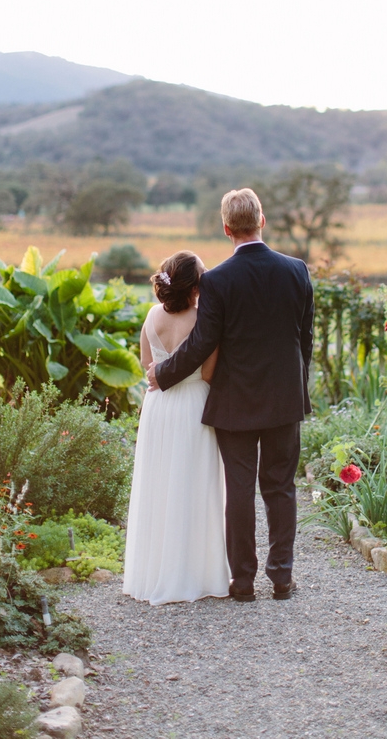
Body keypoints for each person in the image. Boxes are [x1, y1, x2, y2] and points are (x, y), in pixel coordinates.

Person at [147, 188, 314, 602]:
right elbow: (305, 339)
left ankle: (242, 582)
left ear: (226, 228)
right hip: (283, 398)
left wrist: (162, 374)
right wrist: (297, 383)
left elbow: (202, 343)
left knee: (238, 490)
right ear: (262, 220)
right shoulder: (297, 271)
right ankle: (281, 578)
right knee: (280, 488)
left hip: (234, 402)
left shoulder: (217, 281)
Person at [123, 250, 230, 605]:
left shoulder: (152, 316)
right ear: (196, 285)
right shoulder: (204, 319)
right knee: (195, 486)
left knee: (160, 485)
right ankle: (195, 573)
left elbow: (145, 363)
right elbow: (211, 372)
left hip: (158, 407)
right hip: (194, 406)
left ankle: (155, 573)